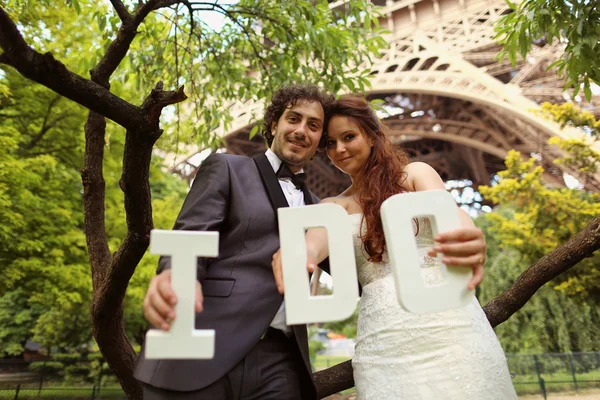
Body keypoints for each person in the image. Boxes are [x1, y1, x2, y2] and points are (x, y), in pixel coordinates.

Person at [272, 94, 517, 399]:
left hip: (452, 330)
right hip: (382, 343)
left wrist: (467, 233)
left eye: (349, 137)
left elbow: (451, 215)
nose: (340, 149)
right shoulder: (333, 205)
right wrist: (299, 253)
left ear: (373, 136)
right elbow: (316, 241)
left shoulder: (415, 175)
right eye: (330, 144)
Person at [134, 84, 334, 400]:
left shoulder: (321, 209)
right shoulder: (228, 167)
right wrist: (174, 275)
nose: (301, 130)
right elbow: (192, 234)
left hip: (279, 361)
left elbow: (360, 269)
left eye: (313, 125)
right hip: (207, 338)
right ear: (274, 124)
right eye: (293, 119)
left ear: (321, 140)